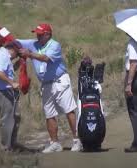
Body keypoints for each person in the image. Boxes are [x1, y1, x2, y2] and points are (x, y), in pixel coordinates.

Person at [18, 23, 82, 153]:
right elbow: (15, 41)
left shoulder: (55, 45)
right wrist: (2, 35)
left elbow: (45, 58)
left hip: (59, 81)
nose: (37, 36)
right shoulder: (33, 44)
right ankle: (54, 143)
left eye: (40, 34)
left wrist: (29, 54)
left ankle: (77, 140)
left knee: (68, 110)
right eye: (37, 33)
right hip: (46, 83)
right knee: (49, 113)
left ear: (48, 34)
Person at [0, 28, 22, 151]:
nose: (17, 55)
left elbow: (7, 71)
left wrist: (17, 65)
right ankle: (5, 148)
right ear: (13, 50)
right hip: (0, 91)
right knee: (7, 119)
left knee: (15, 117)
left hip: (4, 90)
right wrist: (12, 83)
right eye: (18, 53)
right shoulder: (2, 55)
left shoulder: (5, 56)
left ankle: (12, 144)